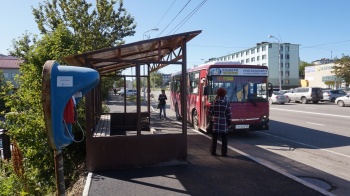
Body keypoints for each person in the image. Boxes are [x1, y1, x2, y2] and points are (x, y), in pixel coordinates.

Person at [208, 87, 232, 157]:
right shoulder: (226, 102)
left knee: (214, 138)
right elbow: (229, 114)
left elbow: (209, 112)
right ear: (224, 94)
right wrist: (229, 122)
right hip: (223, 123)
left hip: (215, 122)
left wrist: (213, 115)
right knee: (224, 139)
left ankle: (213, 151)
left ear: (217, 94)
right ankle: (223, 153)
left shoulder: (214, 102)